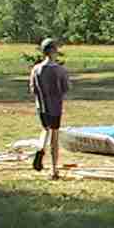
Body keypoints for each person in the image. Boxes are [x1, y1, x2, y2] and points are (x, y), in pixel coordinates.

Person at [29, 37, 71, 179]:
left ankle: (40, 149)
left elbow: (33, 89)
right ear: (53, 51)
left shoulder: (36, 69)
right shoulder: (60, 70)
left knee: (45, 129)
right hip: (55, 107)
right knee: (54, 136)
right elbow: (66, 88)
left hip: (41, 106)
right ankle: (54, 170)